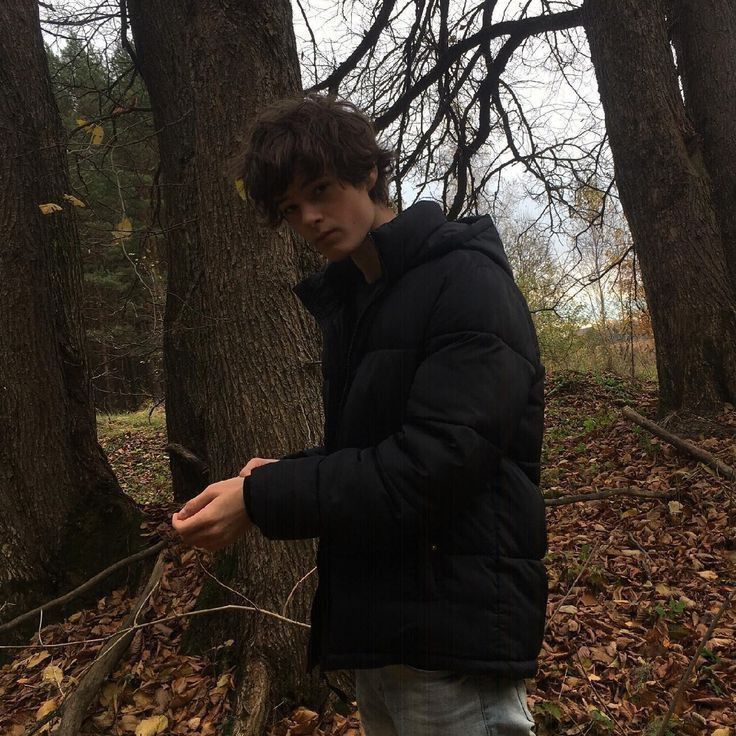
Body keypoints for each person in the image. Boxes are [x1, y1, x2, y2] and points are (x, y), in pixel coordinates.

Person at [172, 93, 547, 736]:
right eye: (291, 209)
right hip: (387, 632)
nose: (310, 218)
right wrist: (275, 477)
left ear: (368, 171)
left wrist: (264, 499)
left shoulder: (465, 282)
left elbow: (432, 467)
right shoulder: (362, 299)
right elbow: (382, 449)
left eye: (319, 190)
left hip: (450, 640)